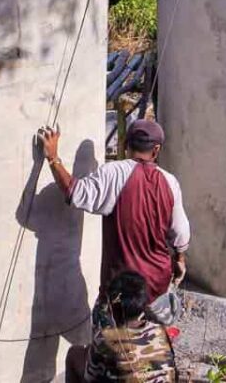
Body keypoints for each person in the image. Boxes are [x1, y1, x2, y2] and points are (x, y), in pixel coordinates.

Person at [37, 119, 190, 326]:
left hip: (120, 291)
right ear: (156, 150)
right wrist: (180, 259)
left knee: (112, 350)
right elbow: (180, 233)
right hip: (156, 286)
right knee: (151, 345)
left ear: (126, 145)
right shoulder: (170, 182)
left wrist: (53, 158)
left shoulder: (113, 173)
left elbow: (75, 192)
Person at [65, 270, 176, 383]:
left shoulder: (105, 339)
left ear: (112, 310)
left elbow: (89, 376)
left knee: (74, 353)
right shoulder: (160, 331)